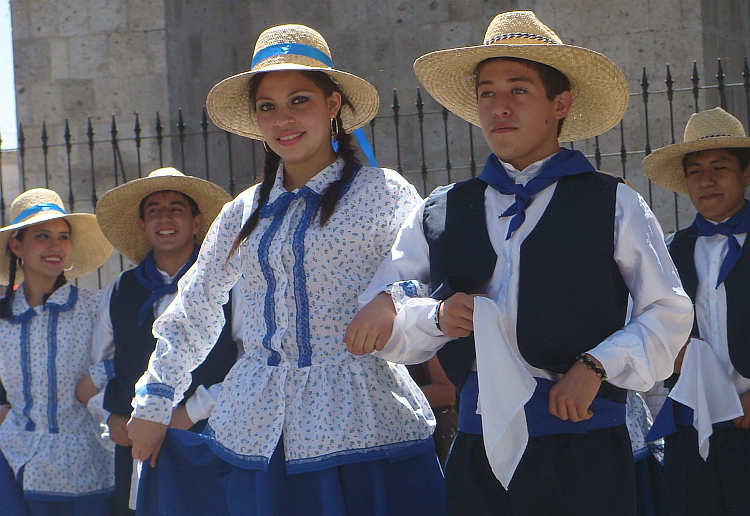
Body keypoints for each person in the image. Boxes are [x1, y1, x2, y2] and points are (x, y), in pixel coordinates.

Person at [347, 10, 694, 516]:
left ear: (561, 104)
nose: (499, 107)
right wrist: (437, 318)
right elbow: (387, 316)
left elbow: (668, 314)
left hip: (585, 447)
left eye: (518, 90)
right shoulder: (440, 211)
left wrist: (599, 365)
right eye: (487, 92)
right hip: (479, 452)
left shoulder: (612, 203)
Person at [125, 24, 445, 516]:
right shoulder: (241, 212)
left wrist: (392, 298)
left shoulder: (383, 192)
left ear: (333, 104)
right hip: (259, 430)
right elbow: (196, 304)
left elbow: (427, 272)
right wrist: (155, 401)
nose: (283, 119)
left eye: (300, 100)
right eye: (267, 106)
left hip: (362, 420)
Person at [74, 167, 236, 516]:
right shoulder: (120, 291)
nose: (165, 217)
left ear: (197, 222)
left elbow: (249, 362)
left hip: (210, 439)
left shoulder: (229, 286)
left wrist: (187, 414)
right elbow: (105, 366)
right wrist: (112, 419)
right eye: (154, 210)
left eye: (176, 207)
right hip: (138, 449)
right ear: (142, 226)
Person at [642, 107, 750, 515]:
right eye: (695, 171)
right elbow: (650, 325)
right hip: (694, 427)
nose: (706, 180)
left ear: (746, 173)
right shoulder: (669, 252)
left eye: (719, 167)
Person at [0, 188, 115, 515]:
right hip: (12, 465)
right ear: (16, 245)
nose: (56, 246)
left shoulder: (95, 307)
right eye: (42, 235)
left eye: (63, 236)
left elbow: (138, 354)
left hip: (84, 469)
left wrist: (97, 376)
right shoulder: (2, 318)